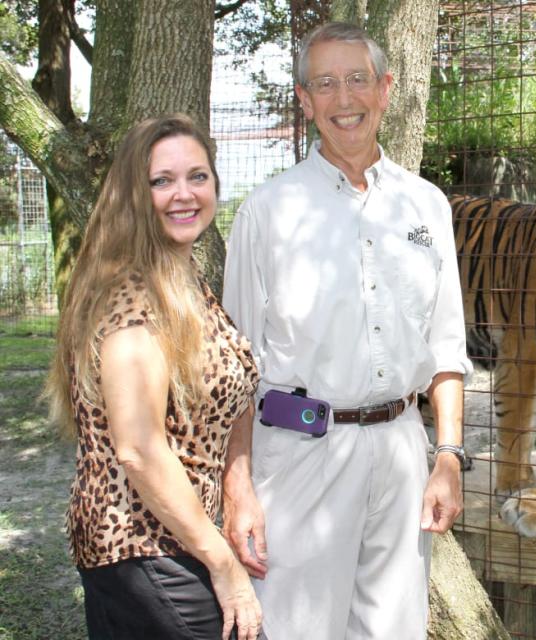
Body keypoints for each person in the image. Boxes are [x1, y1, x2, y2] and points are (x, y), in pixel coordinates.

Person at [221, 21, 472, 639]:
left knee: (394, 630)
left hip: (402, 453)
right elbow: (236, 369)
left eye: (357, 80)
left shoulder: (426, 206)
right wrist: (238, 485)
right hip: (302, 456)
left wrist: (447, 457)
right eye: (325, 84)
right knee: (297, 629)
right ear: (305, 102)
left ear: (386, 89)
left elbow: (445, 344)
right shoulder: (269, 212)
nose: (344, 99)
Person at [46, 114, 263, 640]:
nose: (183, 194)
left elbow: (229, 394)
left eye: (197, 176)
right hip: (144, 550)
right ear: (133, 196)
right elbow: (138, 449)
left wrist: (238, 492)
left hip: (175, 543)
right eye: (161, 181)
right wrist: (224, 567)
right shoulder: (135, 301)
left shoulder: (181, 278)